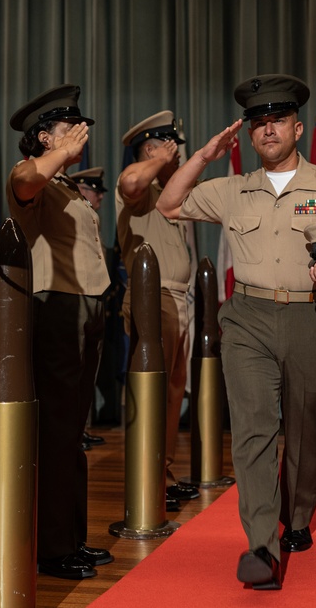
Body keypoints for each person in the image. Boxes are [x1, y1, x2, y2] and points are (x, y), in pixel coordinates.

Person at [157, 74, 316, 590]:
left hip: (313, 318)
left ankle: (297, 518)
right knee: (255, 431)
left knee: (306, 431)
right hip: (248, 320)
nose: (268, 129)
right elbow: (168, 204)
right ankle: (260, 544)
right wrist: (203, 156)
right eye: (258, 122)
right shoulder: (232, 189)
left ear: (297, 128)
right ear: (249, 134)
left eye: (277, 120)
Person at [6, 84, 113, 580]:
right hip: (56, 310)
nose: (79, 134)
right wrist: (59, 155)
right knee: (56, 434)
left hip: (85, 310)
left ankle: (71, 538)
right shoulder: (32, 178)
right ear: (44, 138)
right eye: (67, 129)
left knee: (72, 433)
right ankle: (51, 550)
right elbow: (25, 179)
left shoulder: (67, 185)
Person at [116, 111, 197, 508]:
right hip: (154, 298)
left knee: (173, 390)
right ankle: (147, 476)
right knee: (153, 390)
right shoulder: (139, 188)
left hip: (179, 297)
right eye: (171, 149)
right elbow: (132, 180)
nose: (178, 156)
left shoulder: (170, 196)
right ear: (153, 149)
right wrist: (160, 162)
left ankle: (162, 472)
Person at [68, 166, 109, 450]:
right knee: (74, 368)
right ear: (82, 190)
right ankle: (71, 432)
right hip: (74, 297)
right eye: (95, 191)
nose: (100, 198)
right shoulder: (73, 214)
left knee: (86, 373)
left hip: (93, 297)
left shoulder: (93, 220)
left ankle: (79, 428)